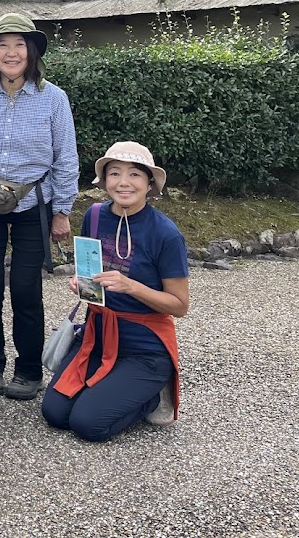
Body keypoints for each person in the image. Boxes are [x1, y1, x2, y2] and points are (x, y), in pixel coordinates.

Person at [0, 13, 79, 401]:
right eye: (2, 45)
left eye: (19, 45)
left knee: (25, 289)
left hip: (33, 206)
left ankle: (28, 370)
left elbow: (65, 157)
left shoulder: (53, 98)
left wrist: (62, 210)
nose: (11, 53)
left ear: (32, 51)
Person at [42, 141, 189, 442]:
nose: (124, 182)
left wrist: (131, 286)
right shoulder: (95, 216)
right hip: (97, 337)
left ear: (149, 183)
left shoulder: (165, 234)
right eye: (115, 173)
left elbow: (179, 305)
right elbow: (92, 270)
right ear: (104, 180)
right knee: (55, 413)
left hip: (144, 349)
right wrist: (82, 283)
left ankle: (151, 397)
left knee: (88, 424)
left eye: (134, 174)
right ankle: (115, 389)